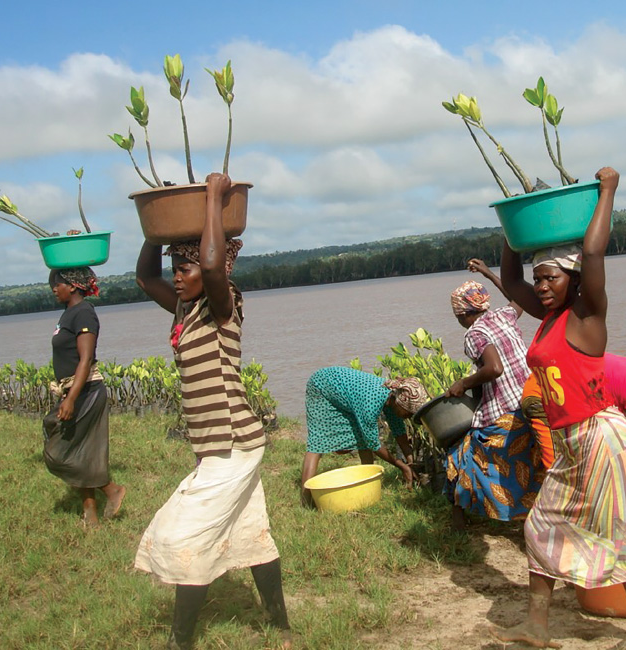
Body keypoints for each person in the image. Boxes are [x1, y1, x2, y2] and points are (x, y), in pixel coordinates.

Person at [495, 167, 626, 650]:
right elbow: (508, 277)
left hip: (602, 438)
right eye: (539, 278)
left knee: (618, 533)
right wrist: (515, 224)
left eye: (550, 278)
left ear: (572, 280)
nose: (541, 286)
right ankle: (537, 626)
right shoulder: (548, 319)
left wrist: (608, 190)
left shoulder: (586, 318)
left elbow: (593, 251)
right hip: (572, 442)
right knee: (541, 525)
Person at [133, 172, 291, 650]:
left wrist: (212, 198)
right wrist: (154, 232)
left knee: (186, 534)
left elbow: (214, 268)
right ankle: (281, 629)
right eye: (176, 268)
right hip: (216, 447)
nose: (179, 276)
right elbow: (144, 277)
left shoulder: (225, 303)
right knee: (251, 533)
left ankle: (181, 642)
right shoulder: (184, 309)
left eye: (187, 268)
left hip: (235, 444)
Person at [443, 261, 542, 531]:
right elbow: (518, 298)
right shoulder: (503, 316)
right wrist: (489, 273)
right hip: (532, 404)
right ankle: (532, 516)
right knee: (531, 463)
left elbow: (494, 368)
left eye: (457, 317)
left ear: (463, 314)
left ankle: (459, 519)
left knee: (460, 454)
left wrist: (463, 383)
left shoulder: (474, 334)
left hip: (505, 412)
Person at [42, 266, 125, 528]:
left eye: (59, 284)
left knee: (59, 454)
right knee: (79, 450)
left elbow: (86, 358)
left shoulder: (84, 312)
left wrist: (71, 399)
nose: (54, 289)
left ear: (74, 286)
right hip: (73, 390)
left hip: (86, 391)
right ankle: (90, 512)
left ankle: (111, 489)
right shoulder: (68, 313)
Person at [300, 367, 427, 505]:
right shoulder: (371, 402)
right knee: (318, 442)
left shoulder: (392, 398)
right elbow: (373, 444)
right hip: (321, 387)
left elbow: (399, 432)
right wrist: (401, 466)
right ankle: (305, 499)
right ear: (399, 403)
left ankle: (366, 482)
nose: (408, 417)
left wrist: (410, 461)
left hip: (343, 391)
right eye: (408, 413)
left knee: (362, 439)